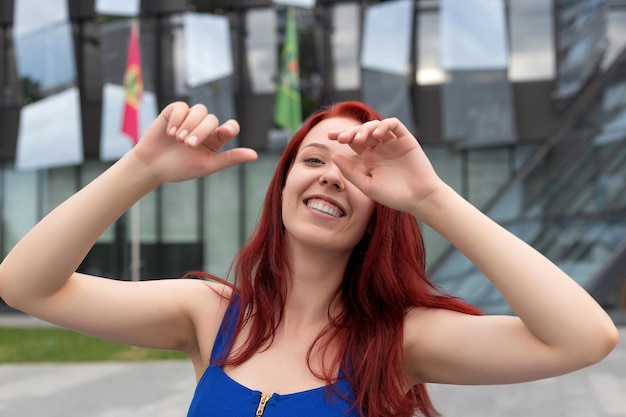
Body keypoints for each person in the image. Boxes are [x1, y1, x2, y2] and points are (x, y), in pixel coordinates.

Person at [0, 101, 619, 417]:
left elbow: (584, 339)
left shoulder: (399, 338)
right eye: (315, 160)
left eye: (359, 171)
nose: (331, 178)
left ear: (383, 206)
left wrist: (431, 197)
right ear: (285, 183)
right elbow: (26, 285)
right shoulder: (209, 314)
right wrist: (140, 170)